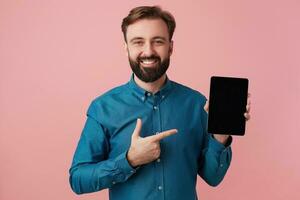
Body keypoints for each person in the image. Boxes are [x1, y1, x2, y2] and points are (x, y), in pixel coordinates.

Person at [69, 5, 251, 200]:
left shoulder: (197, 104)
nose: (148, 51)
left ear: (170, 47)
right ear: (126, 48)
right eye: (138, 42)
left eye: (158, 41)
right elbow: (78, 180)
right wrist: (129, 160)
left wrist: (220, 136)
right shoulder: (103, 108)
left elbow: (213, 177)